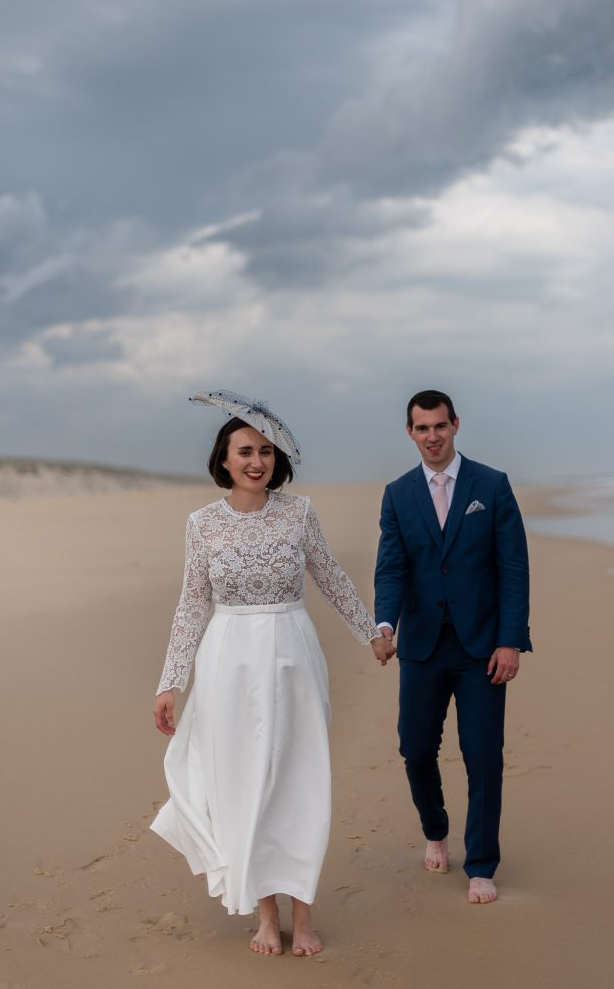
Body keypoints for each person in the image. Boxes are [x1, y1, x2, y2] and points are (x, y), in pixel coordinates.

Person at [152, 390, 393, 956]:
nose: (255, 460)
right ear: (224, 459)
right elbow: (192, 604)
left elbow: (330, 576)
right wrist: (171, 681)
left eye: (265, 450)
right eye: (244, 451)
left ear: (277, 458)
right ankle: (265, 912)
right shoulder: (201, 524)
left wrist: (371, 633)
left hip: (292, 655)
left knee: (298, 779)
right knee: (242, 781)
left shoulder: (299, 512)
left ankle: (302, 913)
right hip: (226, 661)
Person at [374, 389, 531, 904]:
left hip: (481, 646)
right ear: (410, 432)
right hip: (421, 645)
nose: (432, 437)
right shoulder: (398, 495)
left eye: (440, 426)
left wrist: (510, 640)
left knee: (483, 754)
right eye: (422, 428)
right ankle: (436, 829)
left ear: (455, 425)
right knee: (415, 748)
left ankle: (482, 862)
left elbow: (512, 569)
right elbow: (392, 568)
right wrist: (384, 624)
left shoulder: (492, 485)